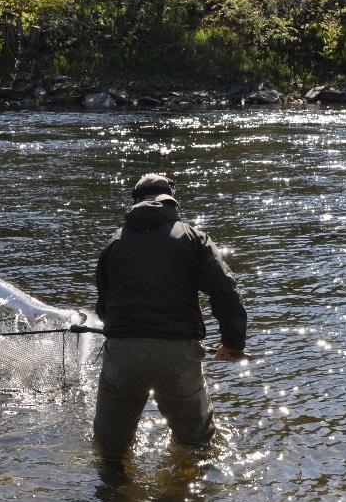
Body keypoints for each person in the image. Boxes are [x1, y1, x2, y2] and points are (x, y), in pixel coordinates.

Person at [93, 173, 247, 459]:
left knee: (110, 447)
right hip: (177, 354)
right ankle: (187, 494)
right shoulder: (193, 238)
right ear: (172, 201)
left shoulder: (114, 243)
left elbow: (104, 308)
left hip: (123, 352)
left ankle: (114, 495)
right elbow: (225, 291)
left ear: (135, 202)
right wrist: (233, 344)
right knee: (198, 445)